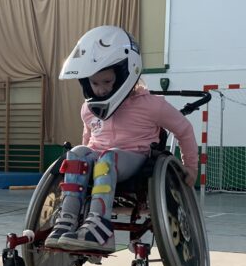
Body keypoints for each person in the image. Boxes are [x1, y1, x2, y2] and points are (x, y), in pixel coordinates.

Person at [46, 25, 198, 253]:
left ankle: (101, 228)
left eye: (107, 82)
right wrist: (84, 163)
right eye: (94, 83)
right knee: (77, 152)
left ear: (125, 75)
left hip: (134, 160)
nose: (100, 89)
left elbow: (184, 130)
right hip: (101, 160)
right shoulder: (87, 109)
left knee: (108, 159)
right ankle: (67, 219)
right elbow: (88, 138)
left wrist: (191, 167)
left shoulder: (151, 105)